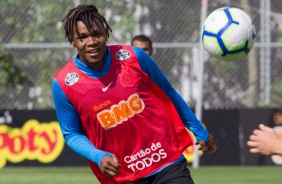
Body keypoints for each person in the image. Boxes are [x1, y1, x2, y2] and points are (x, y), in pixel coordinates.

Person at [52, 4, 217, 184]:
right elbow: (71, 133)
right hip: (123, 173)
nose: (91, 42)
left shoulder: (135, 57)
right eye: (82, 37)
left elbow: (169, 92)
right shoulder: (64, 84)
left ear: (106, 33)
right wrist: (97, 156)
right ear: (72, 40)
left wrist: (197, 129)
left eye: (97, 34)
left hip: (165, 159)